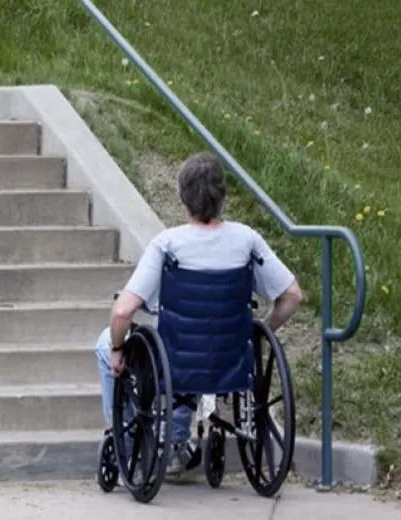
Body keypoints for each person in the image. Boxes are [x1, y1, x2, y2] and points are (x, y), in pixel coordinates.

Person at [95, 151, 302, 476]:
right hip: (230, 357)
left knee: (110, 344)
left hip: (178, 357)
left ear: (182, 196)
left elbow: (122, 313)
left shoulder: (168, 245)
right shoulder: (247, 240)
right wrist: (258, 332)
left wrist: (118, 349)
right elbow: (291, 295)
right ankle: (176, 442)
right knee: (179, 352)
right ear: (223, 196)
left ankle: (128, 441)